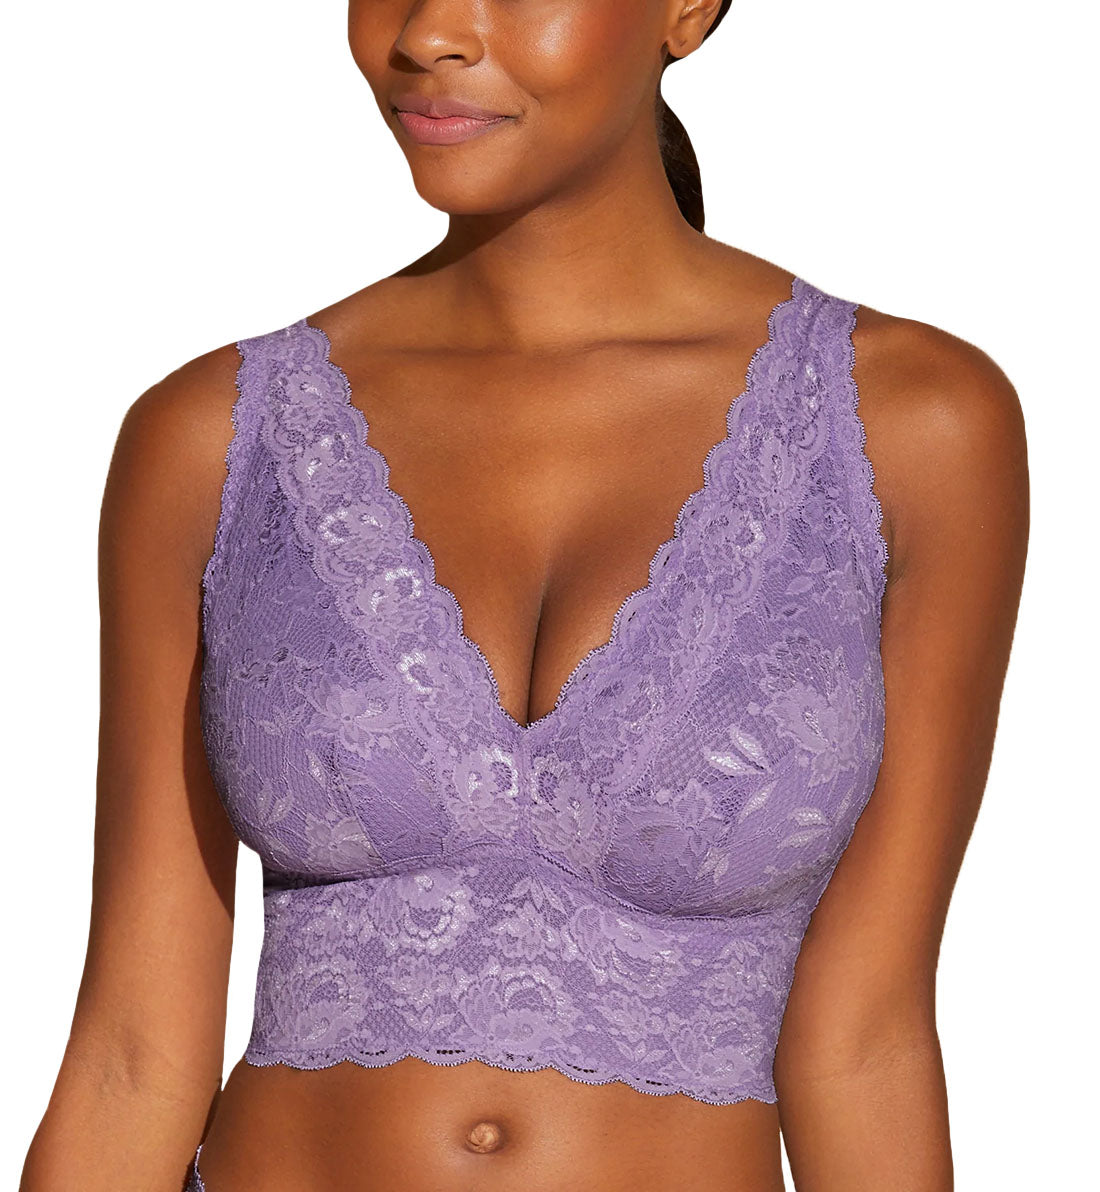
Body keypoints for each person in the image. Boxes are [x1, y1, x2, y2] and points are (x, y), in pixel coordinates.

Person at [20, 0, 1029, 1188]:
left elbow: (865, 1042)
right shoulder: (211, 438)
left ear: (685, 9)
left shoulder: (908, 427)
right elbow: (132, 1052)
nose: (427, 33)